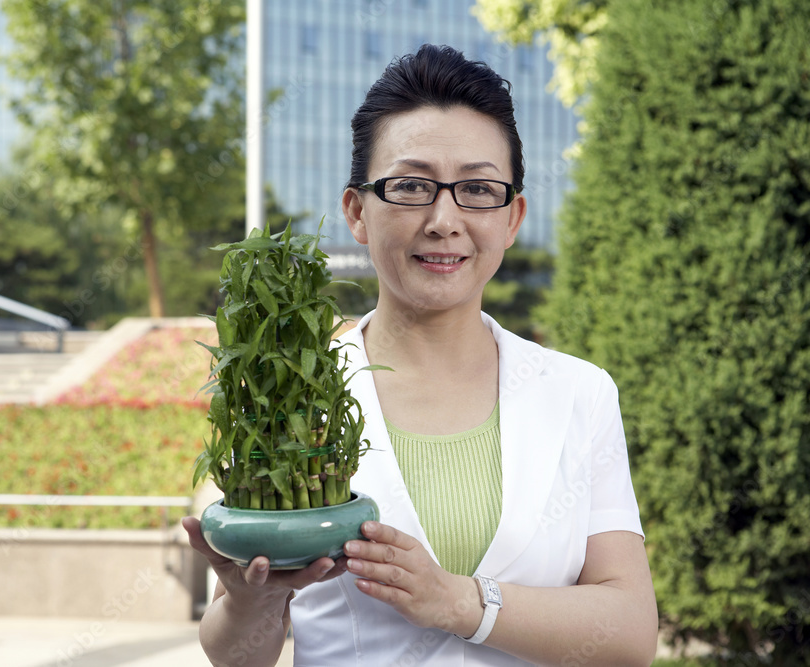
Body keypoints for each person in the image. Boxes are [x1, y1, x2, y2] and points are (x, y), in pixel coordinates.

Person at [183, 44, 658, 666]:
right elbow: (237, 658)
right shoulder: (287, 394)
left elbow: (628, 630)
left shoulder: (579, 392)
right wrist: (251, 602)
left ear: (512, 218)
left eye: (478, 189)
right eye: (410, 186)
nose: (443, 219)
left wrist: (461, 603)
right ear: (357, 211)